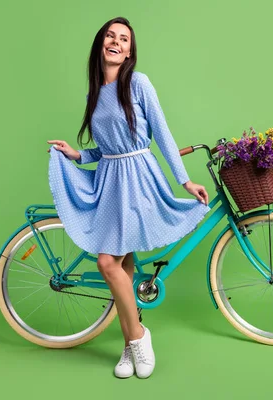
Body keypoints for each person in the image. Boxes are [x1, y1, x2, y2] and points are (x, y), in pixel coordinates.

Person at [47, 17, 210, 379]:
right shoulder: (93, 93)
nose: (116, 42)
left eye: (124, 39)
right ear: (101, 42)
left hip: (137, 179)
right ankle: (129, 343)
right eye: (111, 36)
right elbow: (106, 151)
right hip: (110, 181)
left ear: (130, 51)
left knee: (107, 262)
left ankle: (138, 337)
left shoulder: (137, 83)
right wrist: (77, 155)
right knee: (119, 265)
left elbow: (162, 134)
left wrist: (183, 181)